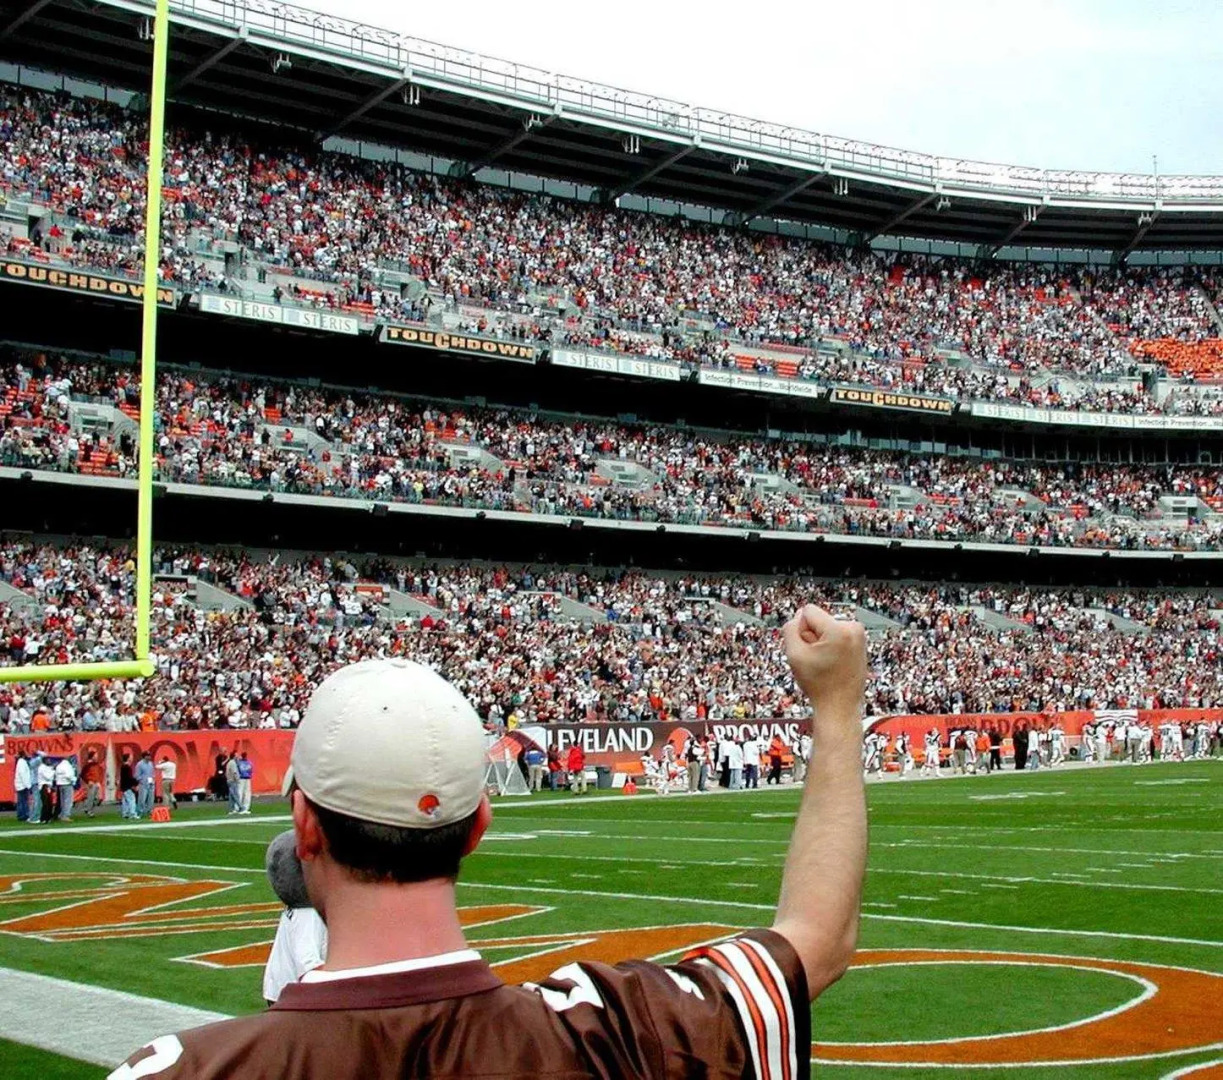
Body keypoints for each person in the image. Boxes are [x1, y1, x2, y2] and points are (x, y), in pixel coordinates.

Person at [111, 611, 867, 1080]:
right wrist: (835, 707)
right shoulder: (620, 1032)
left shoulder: (189, 1071)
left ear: (303, 826)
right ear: (478, 827)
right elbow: (816, 939)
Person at [263, 831, 328, 1005]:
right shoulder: (308, 913)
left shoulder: (303, 906)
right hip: (291, 998)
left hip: (281, 991)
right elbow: (308, 966)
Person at [53, 755, 77, 821]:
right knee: (68, 801)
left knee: (62, 801)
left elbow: (56, 775)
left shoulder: (59, 766)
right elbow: (68, 775)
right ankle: (66, 815)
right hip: (67, 784)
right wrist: (73, 779)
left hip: (60, 784)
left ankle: (62, 814)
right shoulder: (67, 766)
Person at [82, 751, 104, 816]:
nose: (97, 757)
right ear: (92, 756)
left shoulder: (96, 765)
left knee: (98, 798)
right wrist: (88, 781)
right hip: (91, 783)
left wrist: (99, 781)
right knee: (91, 797)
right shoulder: (87, 765)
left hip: (96, 782)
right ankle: (89, 810)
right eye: (96, 755)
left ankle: (87, 806)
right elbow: (83, 774)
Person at [119, 753, 139, 820]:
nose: (132, 758)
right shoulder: (127, 767)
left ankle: (125, 813)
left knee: (125, 801)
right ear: (128, 758)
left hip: (124, 786)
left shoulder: (123, 766)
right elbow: (129, 778)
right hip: (128, 786)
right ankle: (132, 814)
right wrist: (135, 784)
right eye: (131, 757)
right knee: (132, 800)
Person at [13, 750, 31, 822]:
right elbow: (23, 775)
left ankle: (21, 815)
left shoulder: (20, 762)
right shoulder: (22, 763)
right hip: (22, 785)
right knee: (23, 801)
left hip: (20, 784)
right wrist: (27, 785)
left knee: (21, 801)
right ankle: (24, 815)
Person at [135, 752, 156, 816]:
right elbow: (137, 775)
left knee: (151, 798)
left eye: (149, 755)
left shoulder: (150, 763)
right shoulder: (139, 764)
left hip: (151, 782)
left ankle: (150, 811)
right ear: (145, 756)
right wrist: (141, 781)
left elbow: (152, 772)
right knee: (142, 798)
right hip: (143, 783)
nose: (150, 757)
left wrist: (153, 779)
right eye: (148, 756)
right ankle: (140, 811)